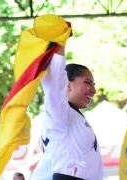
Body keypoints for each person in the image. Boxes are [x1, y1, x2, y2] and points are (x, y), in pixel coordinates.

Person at [30, 45, 103, 180]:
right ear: (66, 84)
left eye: (94, 85)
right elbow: (55, 80)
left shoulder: (73, 116)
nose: (93, 90)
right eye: (88, 82)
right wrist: (59, 43)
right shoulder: (59, 112)